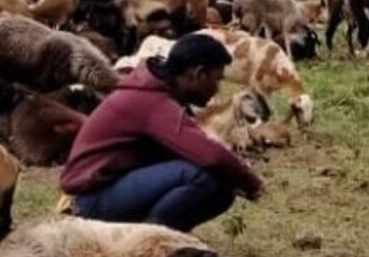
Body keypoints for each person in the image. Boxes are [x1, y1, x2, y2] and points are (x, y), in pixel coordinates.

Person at [61, 33, 262, 233]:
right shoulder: (153, 102)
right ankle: (150, 245)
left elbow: (199, 149)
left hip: (109, 188)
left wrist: (235, 176)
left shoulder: (159, 93)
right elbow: (211, 156)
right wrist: (253, 185)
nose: (217, 89)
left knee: (223, 188)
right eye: (216, 79)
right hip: (91, 200)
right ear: (198, 74)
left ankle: (164, 240)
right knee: (199, 176)